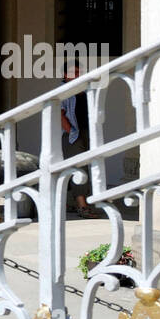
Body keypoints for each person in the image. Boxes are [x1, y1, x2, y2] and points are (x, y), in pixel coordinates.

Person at [61, 68, 93, 217]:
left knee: (83, 167)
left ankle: (68, 203)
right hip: (74, 136)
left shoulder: (86, 90)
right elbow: (59, 112)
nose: (78, 75)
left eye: (79, 72)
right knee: (79, 169)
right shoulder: (63, 91)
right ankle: (82, 206)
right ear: (66, 75)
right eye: (74, 72)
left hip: (87, 133)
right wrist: (71, 131)